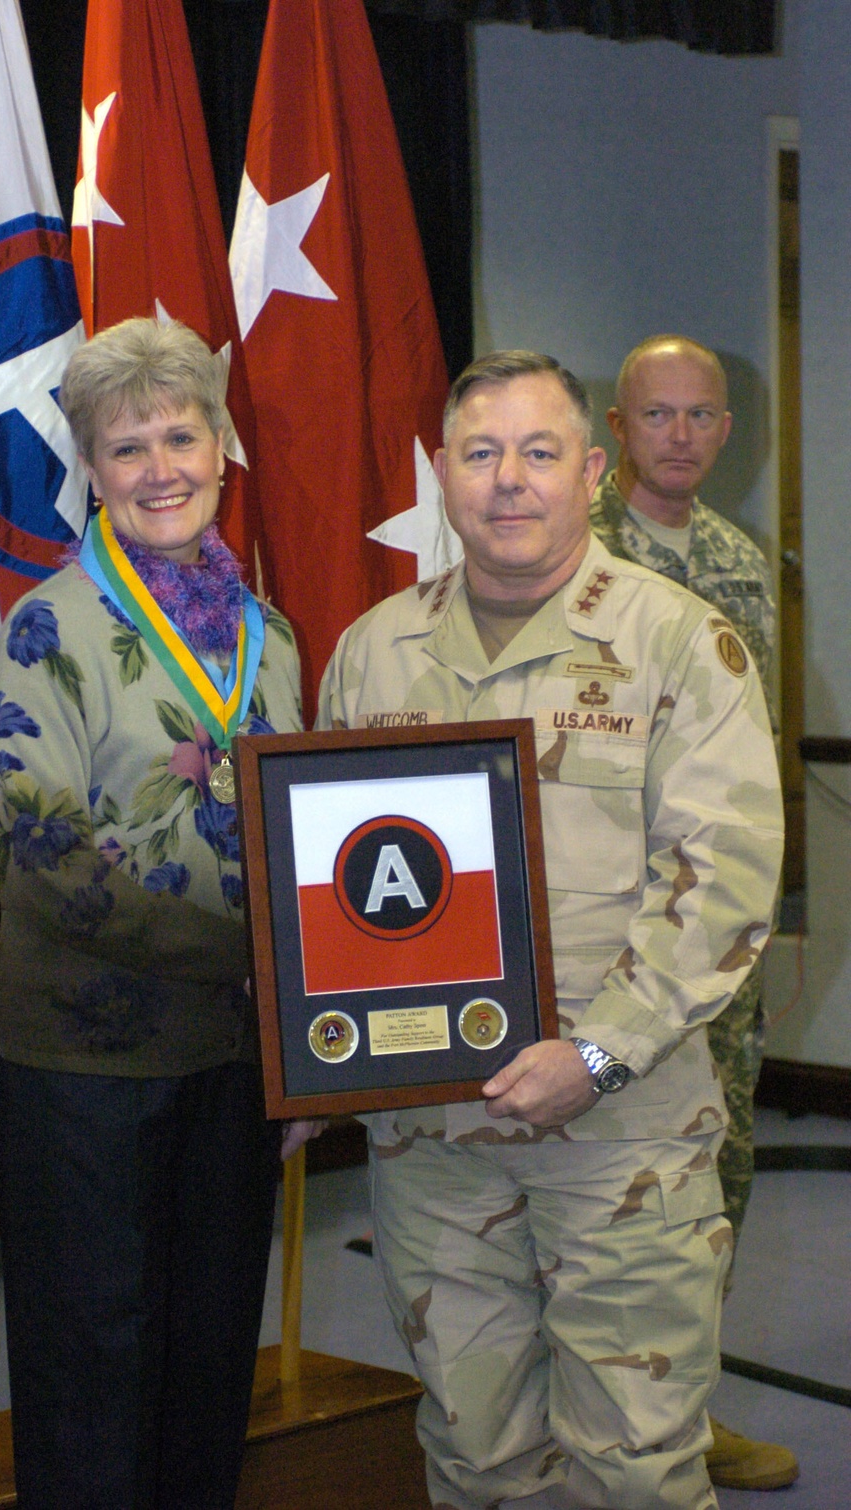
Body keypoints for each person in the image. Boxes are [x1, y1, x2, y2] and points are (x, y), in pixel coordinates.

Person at [317, 351, 783, 1510]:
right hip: (433, 1139)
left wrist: (595, 1051)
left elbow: (722, 885)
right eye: (479, 454)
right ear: (440, 474)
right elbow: (329, 889)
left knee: (634, 1467)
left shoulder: (679, 642)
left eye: (537, 453)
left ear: (590, 469)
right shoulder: (374, 652)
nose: (507, 481)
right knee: (477, 1458)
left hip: (620, 1136)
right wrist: (312, 1041)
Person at [0, 317, 316, 1509]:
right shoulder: (45, 629)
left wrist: (297, 1016)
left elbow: (294, 840)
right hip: (85, 1062)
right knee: (93, 1370)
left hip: (232, 1059)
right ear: (93, 471)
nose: (162, 466)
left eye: (182, 434)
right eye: (128, 447)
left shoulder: (271, 640)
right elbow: (44, 854)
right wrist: (264, 964)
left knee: (208, 1365)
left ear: (224, 447)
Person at [592, 335, 796, 1492]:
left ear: (725, 429)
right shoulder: (578, 553)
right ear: (616, 430)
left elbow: (751, 756)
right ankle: (593, 1413)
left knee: (718, 1164)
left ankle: (687, 1412)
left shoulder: (734, 556)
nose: (680, 435)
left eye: (701, 416)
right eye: (657, 415)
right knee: (607, 1174)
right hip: (608, 928)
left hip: (717, 925)